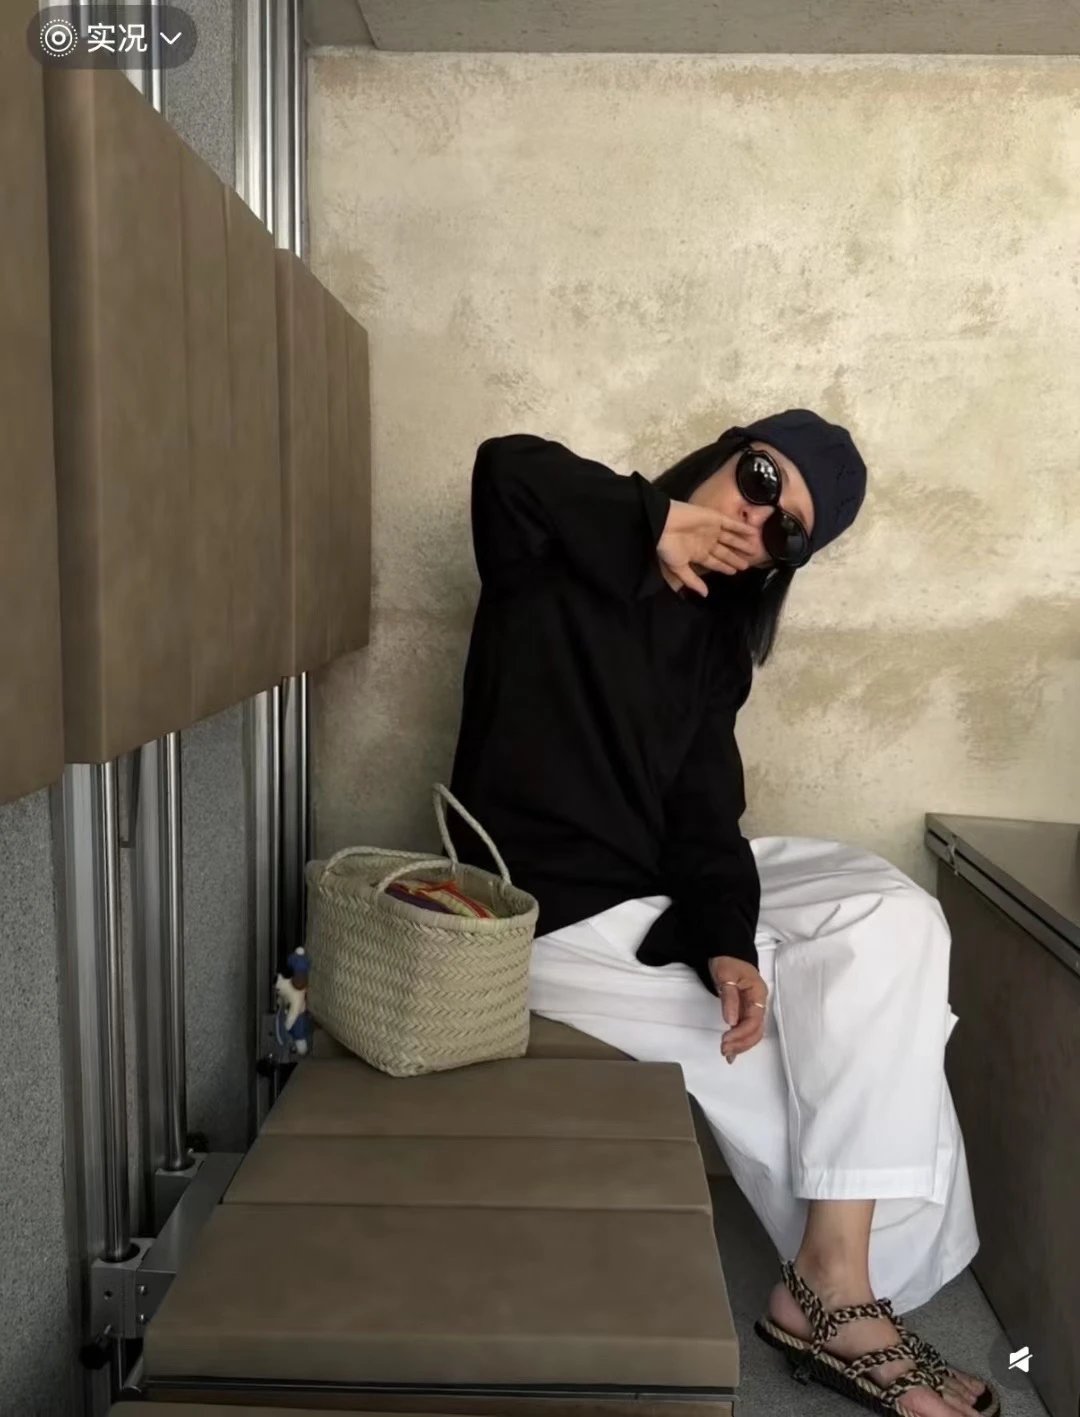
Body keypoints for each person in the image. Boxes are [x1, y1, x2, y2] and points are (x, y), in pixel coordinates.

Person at [447, 410, 999, 1417]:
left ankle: (832, 1273)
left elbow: (704, 819)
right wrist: (650, 520)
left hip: (657, 883)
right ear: (728, 449)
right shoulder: (552, 544)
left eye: (787, 531)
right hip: (547, 915)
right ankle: (839, 1294)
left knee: (897, 922)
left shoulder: (712, 645)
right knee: (826, 1022)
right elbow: (503, 467)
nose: (756, 520)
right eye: (761, 479)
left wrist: (728, 942)